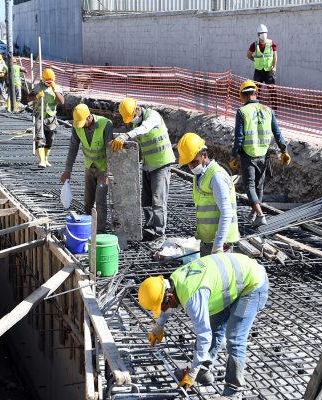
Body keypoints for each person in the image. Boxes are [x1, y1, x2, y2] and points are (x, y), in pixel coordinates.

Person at [138, 253, 269, 399]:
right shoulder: (174, 281)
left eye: (162, 308)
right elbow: (167, 305)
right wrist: (159, 326)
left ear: (169, 297)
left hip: (252, 284)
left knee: (235, 339)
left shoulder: (193, 297)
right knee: (214, 328)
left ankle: (234, 391)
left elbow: (204, 337)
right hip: (230, 282)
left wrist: (192, 371)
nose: (163, 311)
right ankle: (203, 372)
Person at [231, 80, 291, 227]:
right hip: (263, 153)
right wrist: (284, 151)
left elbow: (239, 137)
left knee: (249, 185)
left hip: (248, 154)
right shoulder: (268, 110)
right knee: (259, 185)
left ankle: (259, 214)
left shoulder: (242, 111)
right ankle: (254, 212)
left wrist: (234, 155)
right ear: (256, 93)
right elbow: (277, 133)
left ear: (242, 95)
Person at [114, 98, 175, 242]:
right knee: (146, 201)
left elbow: (145, 129)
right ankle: (149, 231)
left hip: (161, 164)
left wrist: (126, 135)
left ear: (138, 109)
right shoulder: (137, 122)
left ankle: (160, 235)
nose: (132, 120)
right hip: (148, 166)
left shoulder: (152, 116)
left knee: (158, 202)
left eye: (132, 116)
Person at [176, 132, 239, 256]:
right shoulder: (200, 176)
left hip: (221, 243)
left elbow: (226, 213)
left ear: (204, 155)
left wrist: (219, 244)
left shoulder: (217, 176)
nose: (191, 166)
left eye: (194, 161)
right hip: (207, 241)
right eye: (188, 162)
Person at [61, 104, 112, 232]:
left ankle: (100, 231)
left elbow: (110, 151)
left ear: (89, 117)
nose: (82, 126)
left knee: (100, 201)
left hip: (103, 169)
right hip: (89, 168)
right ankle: (88, 226)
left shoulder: (106, 125)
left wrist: (108, 173)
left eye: (84, 122)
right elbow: (73, 147)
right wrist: (68, 170)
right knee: (88, 202)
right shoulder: (77, 126)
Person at [27, 68, 64, 167]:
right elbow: (28, 98)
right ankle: (42, 160)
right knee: (39, 137)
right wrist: (37, 96)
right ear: (43, 79)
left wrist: (55, 90)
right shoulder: (38, 87)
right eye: (47, 81)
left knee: (49, 139)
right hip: (39, 115)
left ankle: (46, 158)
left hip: (51, 116)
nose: (48, 83)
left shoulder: (57, 88)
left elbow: (62, 102)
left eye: (50, 81)